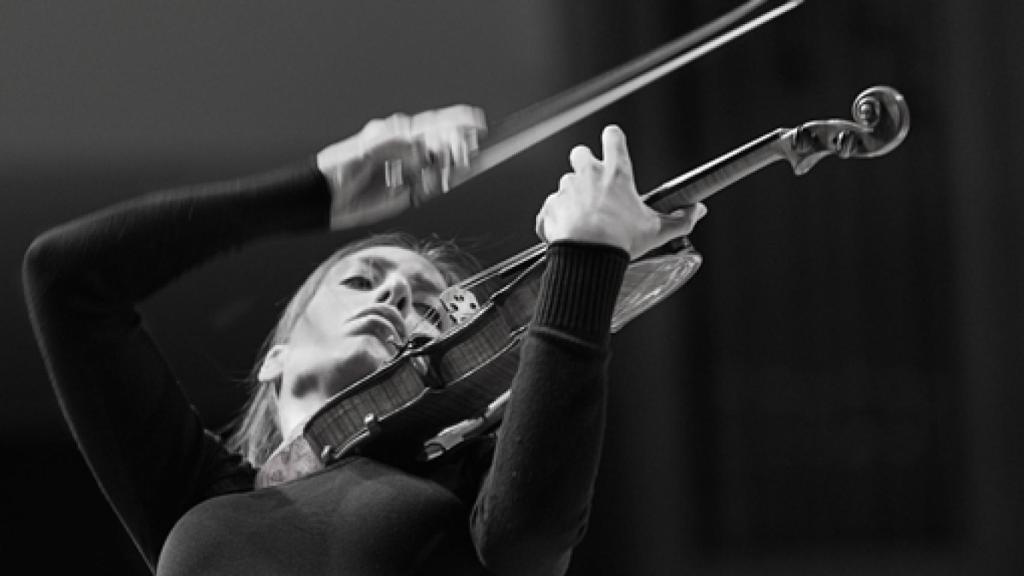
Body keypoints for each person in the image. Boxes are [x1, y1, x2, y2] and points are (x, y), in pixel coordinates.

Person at [23, 104, 707, 576]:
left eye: (430, 310)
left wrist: (587, 257)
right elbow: (66, 278)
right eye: (363, 281)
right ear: (275, 358)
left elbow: (536, 531)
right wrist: (317, 190)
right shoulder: (196, 492)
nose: (394, 300)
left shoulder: (461, 491)